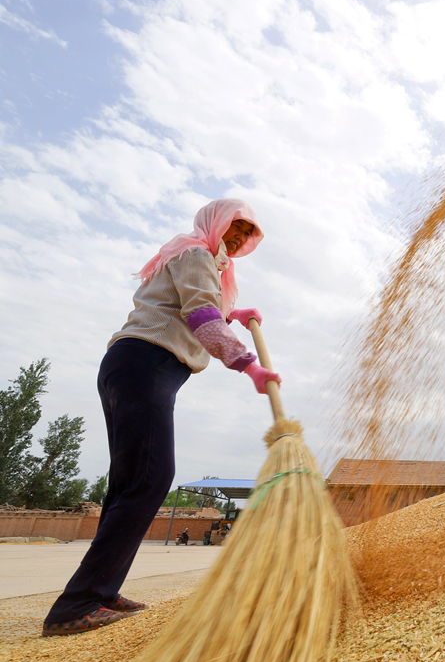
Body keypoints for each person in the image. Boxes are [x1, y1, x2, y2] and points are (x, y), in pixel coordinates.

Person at [42, 199, 281, 636]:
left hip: (135, 365)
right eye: (233, 226)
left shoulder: (196, 259)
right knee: (151, 477)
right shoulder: (195, 253)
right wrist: (246, 363)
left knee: (129, 483)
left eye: (245, 233)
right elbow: (200, 314)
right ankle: (75, 605)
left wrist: (234, 313)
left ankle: (101, 590)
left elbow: (197, 305)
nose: (237, 237)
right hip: (145, 363)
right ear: (216, 223)